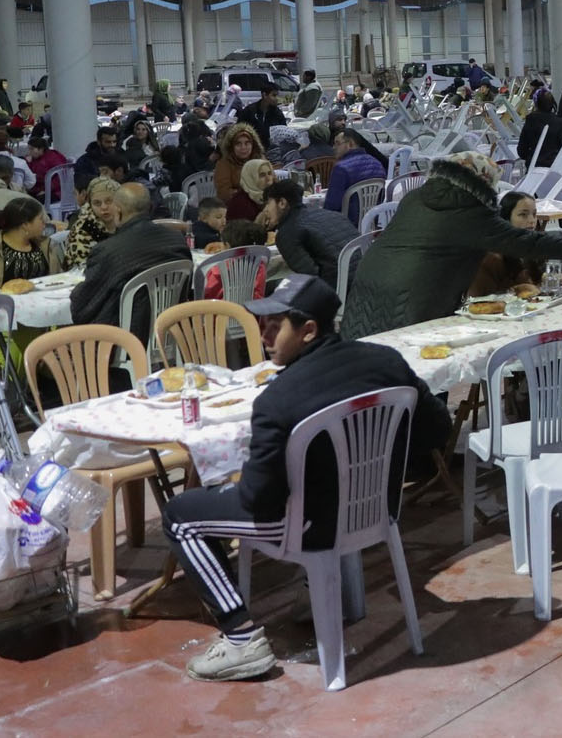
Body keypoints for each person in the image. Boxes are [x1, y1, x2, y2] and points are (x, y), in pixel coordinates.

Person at [160, 275, 448, 682]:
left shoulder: (277, 401)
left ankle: (242, 641)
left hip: (312, 527)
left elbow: (259, 501)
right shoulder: (387, 361)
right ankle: (322, 591)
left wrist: (231, 485)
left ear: (309, 330)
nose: (264, 335)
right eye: (262, 324)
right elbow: (437, 429)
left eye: (276, 325)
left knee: (180, 516)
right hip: (378, 511)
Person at [341, 152, 562, 337]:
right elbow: (519, 241)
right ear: (484, 184)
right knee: (422, 373)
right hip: (415, 296)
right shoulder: (468, 210)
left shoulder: (416, 198)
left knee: (369, 367)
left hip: (369, 281)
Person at [69, 183, 191, 336]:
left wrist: (76, 292)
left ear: (118, 210)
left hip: (127, 340)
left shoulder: (108, 251)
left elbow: (83, 307)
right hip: (173, 332)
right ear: (150, 207)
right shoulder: (176, 240)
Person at [258, 179, 357, 288]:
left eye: (268, 203)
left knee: (268, 287)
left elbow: (309, 278)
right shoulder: (332, 214)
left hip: (338, 291)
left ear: (282, 203)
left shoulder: (287, 232)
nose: (266, 210)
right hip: (362, 281)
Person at [467, 192, 562, 295]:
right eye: (523, 215)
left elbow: (539, 286)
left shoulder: (532, 249)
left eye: (534, 214)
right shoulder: (491, 258)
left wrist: (549, 282)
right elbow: (478, 303)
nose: (532, 221)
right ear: (506, 219)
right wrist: (515, 291)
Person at [322, 129, 388, 213]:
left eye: (337, 143)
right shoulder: (377, 164)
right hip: (371, 221)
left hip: (346, 222)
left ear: (350, 144)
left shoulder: (341, 169)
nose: (334, 147)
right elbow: (381, 198)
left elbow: (331, 206)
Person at [203, 220, 269, 300]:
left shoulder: (217, 270)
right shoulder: (259, 265)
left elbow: (207, 296)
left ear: (227, 245)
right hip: (252, 309)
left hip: (221, 311)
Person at [517, 87, 562, 169]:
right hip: (556, 170)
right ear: (552, 104)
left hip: (534, 169)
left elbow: (521, 151)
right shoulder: (559, 123)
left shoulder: (530, 121)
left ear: (536, 104)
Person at [213, 123, 265, 204]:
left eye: (247, 143)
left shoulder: (260, 159)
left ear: (253, 144)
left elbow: (272, 182)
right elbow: (224, 193)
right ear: (231, 146)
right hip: (235, 206)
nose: (243, 148)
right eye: (238, 144)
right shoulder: (224, 164)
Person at [224, 158, 270, 223]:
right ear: (250, 178)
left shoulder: (272, 196)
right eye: (262, 175)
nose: (268, 178)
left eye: (269, 173)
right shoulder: (240, 203)